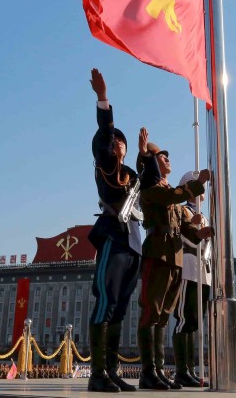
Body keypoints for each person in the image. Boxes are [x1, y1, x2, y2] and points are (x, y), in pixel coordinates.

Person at [86, 68, 152, 393]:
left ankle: (111, 371)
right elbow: (104, 135)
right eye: (117, 141)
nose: (118, 144)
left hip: (133, 244)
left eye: (121, 142)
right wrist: (102, 99)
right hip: (113, 234)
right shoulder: (105, 163)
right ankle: (97, 374)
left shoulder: (130, 174)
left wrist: (143, 154)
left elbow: (146, 182)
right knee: (106, 302)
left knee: (121, 308)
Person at [136, 142, 213, 390]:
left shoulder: (171, 194)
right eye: (161, 157)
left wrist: (203, 233)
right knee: (151, 312)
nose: (167, 158)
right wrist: (199, 181)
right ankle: (148, 372)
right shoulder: (151, 189)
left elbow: (185, 228)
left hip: (174, 258)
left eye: (168, 156)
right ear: (150, 163)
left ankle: (158, 371)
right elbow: (174, 196)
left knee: (162, 316)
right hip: (157, 253)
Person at [171, 170, 212, 387]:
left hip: (203, 271)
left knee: (195, 322)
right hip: (188, 267)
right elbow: (182, 237)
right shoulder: (183, 210)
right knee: (184, 319)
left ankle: (190, 369)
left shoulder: (203, 215)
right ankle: (181, 370)